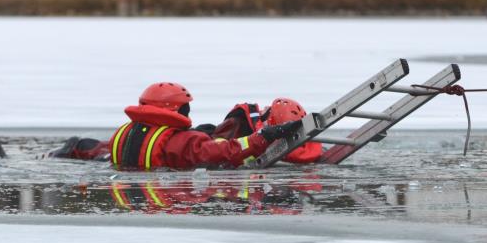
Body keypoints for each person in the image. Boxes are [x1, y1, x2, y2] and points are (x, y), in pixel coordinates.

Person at [47, 82, 301, 171]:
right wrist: (264, 137)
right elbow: (221, 152)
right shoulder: (182, 142)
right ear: (175, 110)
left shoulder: (122, 133)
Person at [209, 98, 323, 164]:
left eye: (268, 109)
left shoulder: (241, 121)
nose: (263, 108)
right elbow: (215, 151)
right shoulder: (239, 122)